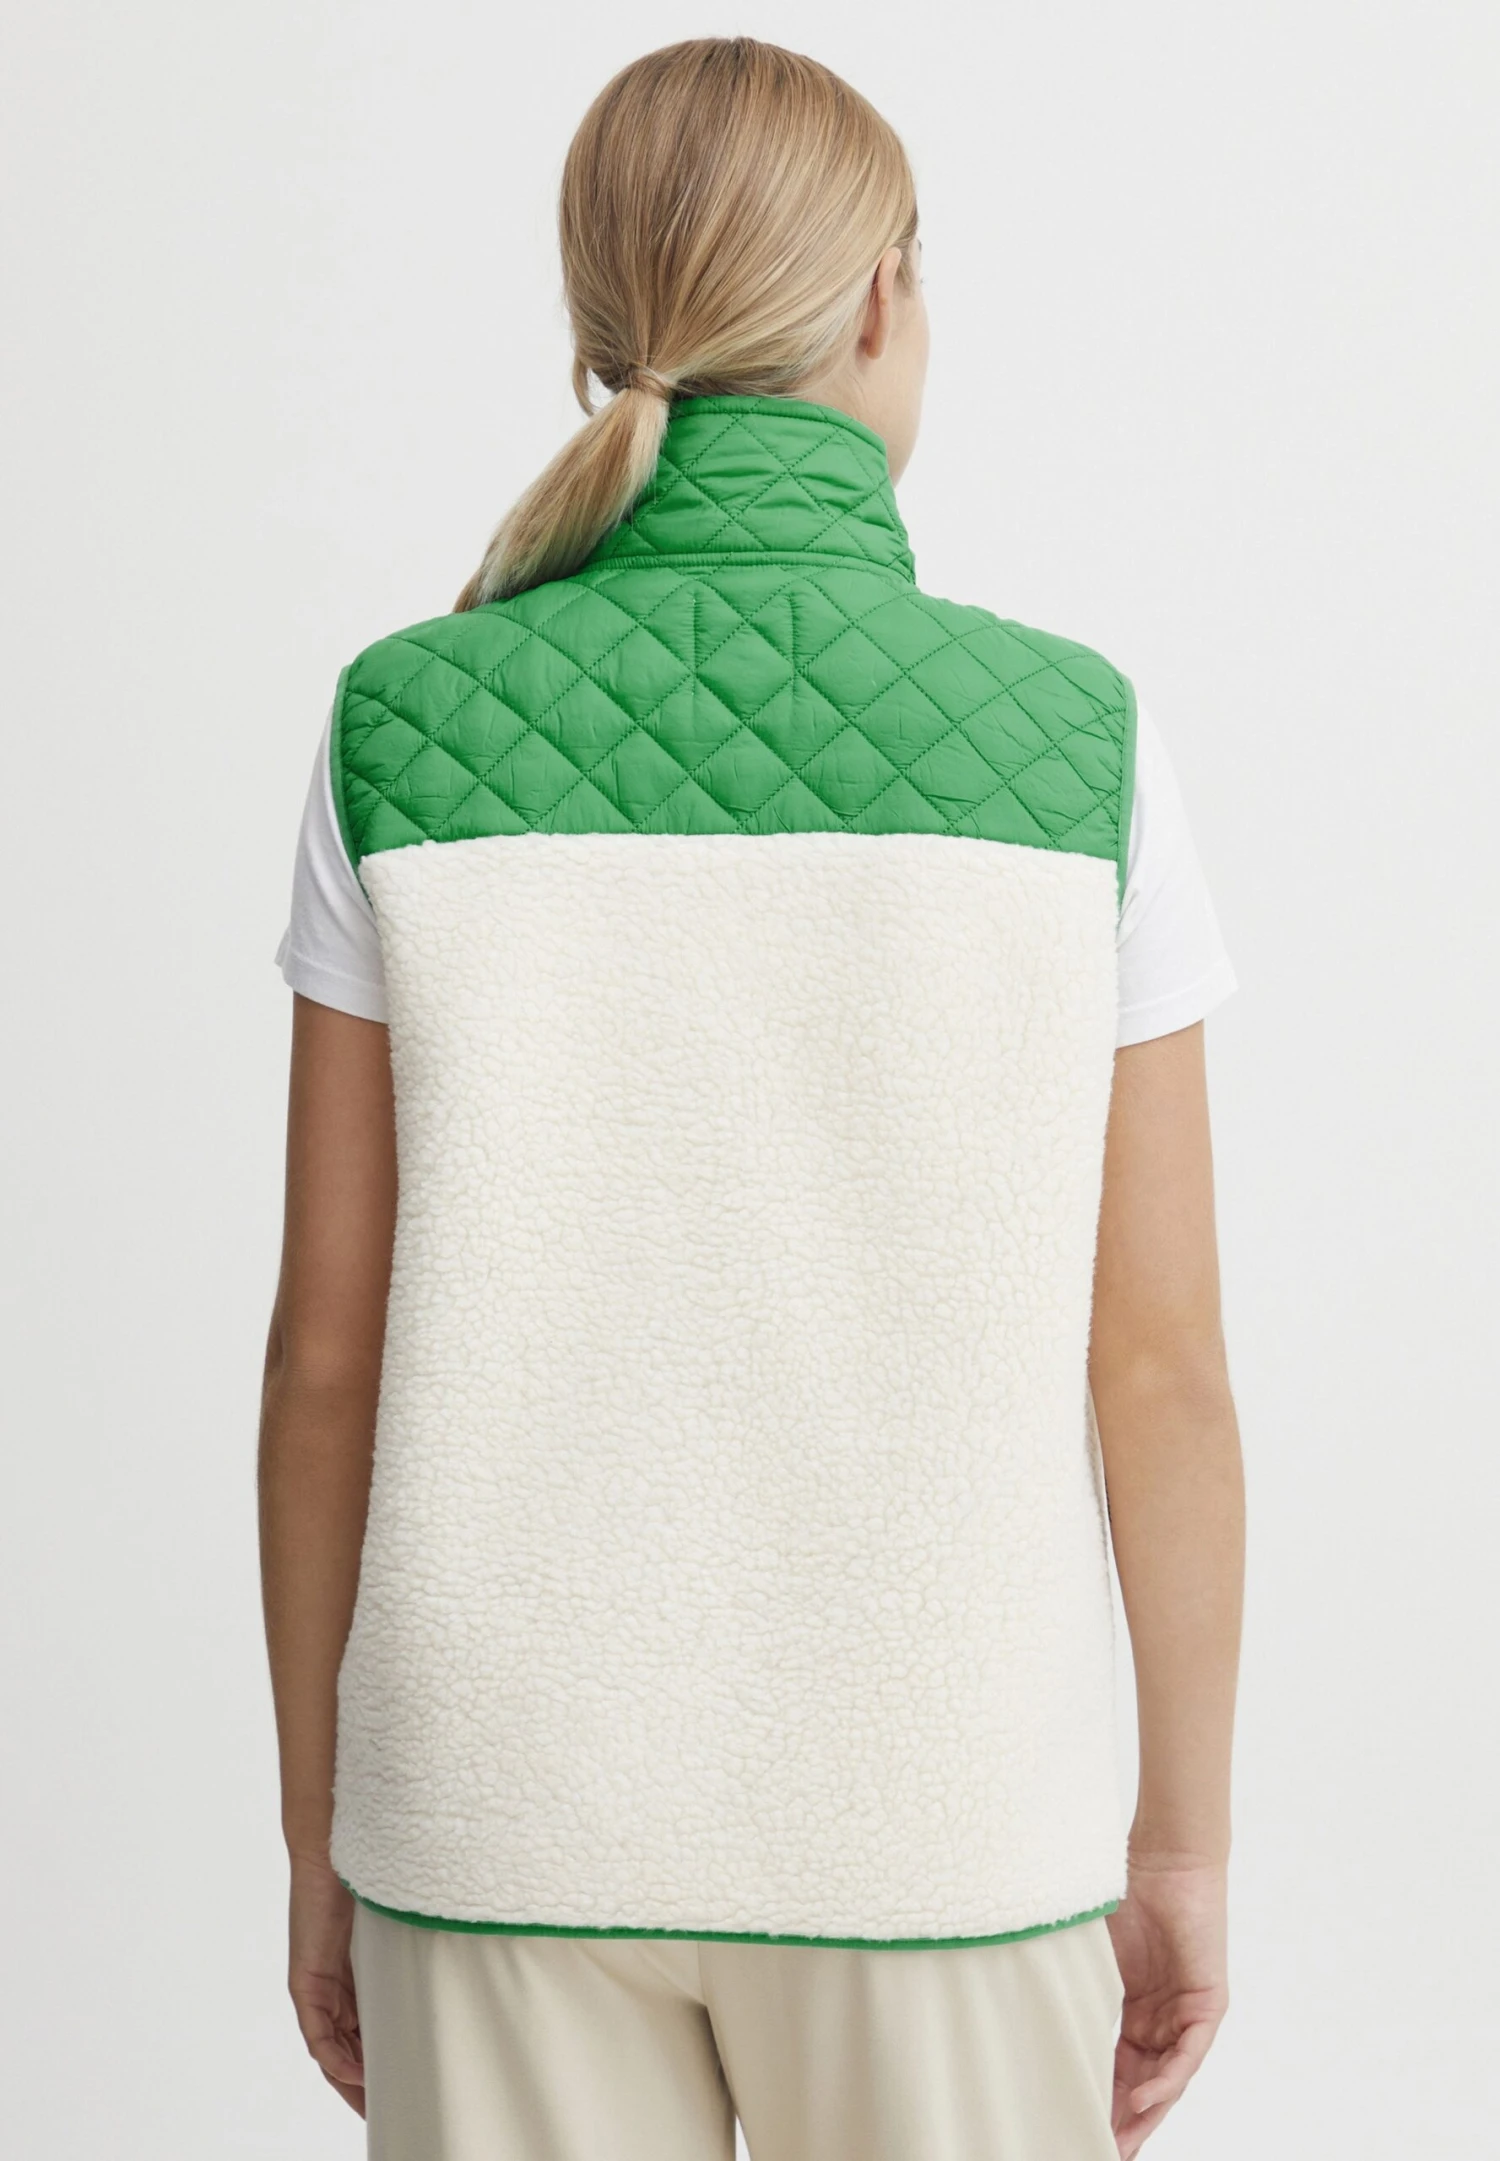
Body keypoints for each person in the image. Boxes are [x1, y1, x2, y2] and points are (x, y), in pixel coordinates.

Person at [259, 36, 1245, 2161]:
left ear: (601, 318)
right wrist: (1180, 1844)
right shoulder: (1080, 745)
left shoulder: (400, 726)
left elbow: (326, 1356)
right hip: (942, 1827)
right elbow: (1159, 1367)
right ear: (884, 297)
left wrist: (317, 1830)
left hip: (498, 1818)